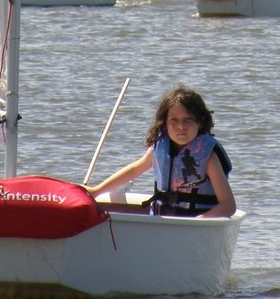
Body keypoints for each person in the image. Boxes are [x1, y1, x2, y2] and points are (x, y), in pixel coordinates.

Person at [86, 85, 235, 218]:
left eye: (188, 119)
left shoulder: (209, 157)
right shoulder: (159, 149)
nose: (181, 126)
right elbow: (134, 170)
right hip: (162, 222)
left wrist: (199, 222)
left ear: (200, 121)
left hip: (196, 225)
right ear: (164, 123)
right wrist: (96, 191)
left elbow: (228, 206)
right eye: (174, 120)